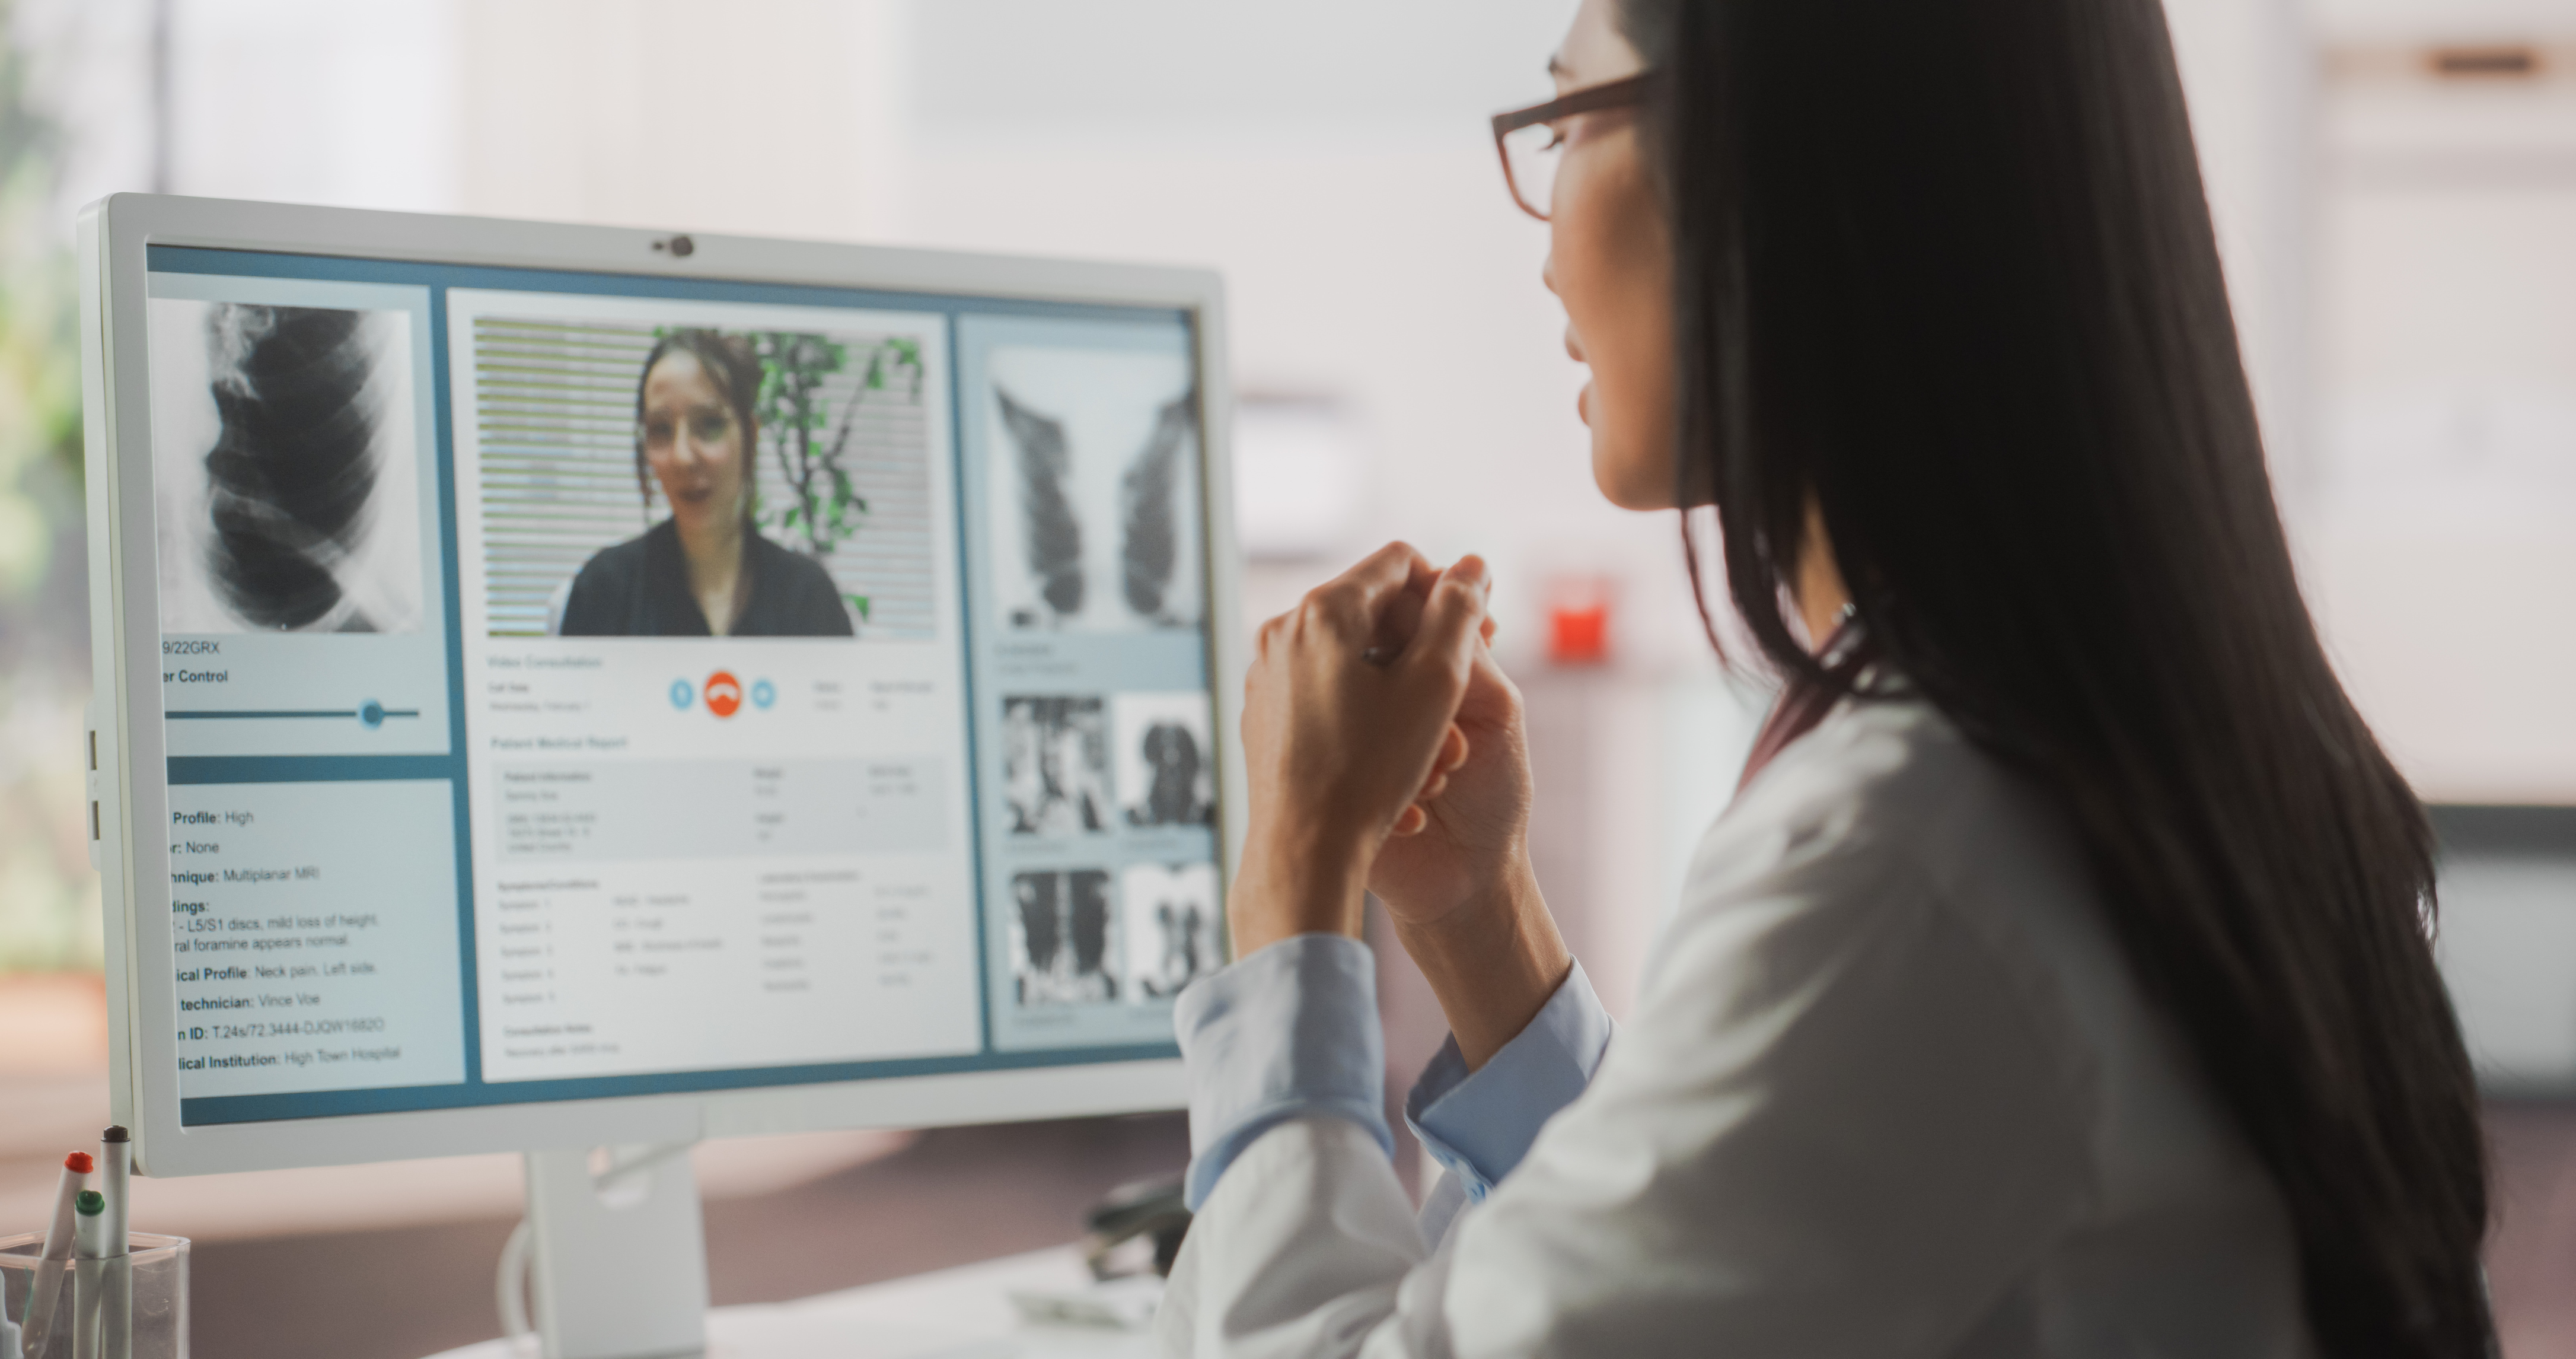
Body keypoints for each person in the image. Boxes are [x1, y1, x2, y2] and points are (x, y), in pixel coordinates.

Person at [1159, 1, 2495, 1356]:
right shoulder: (2119, 755)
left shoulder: (1914, 850)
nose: (1547, 248)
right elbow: (1728, 1256)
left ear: (1764, 165)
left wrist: (1293, 874)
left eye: (1568, 118)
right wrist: (1477, 919)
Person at [557, 330, 854, 637]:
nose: (683, 457)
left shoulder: (807, 596)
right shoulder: (604, 591)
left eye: (710, 424)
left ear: (750, 436)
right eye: (661, 429)